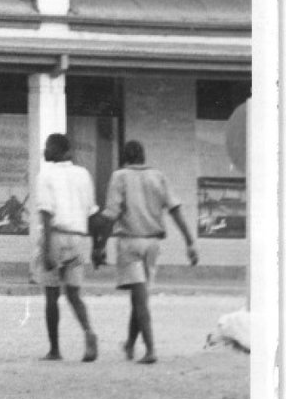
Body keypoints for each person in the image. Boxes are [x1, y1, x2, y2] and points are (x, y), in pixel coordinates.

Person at [101, 141, 199, 365]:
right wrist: (190, 241)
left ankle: (151, 349)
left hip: (129, 243)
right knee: (140, 297)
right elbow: (175, 209)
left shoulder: (119, 176)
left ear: (124, 158)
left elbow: (111, 214)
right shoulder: (158, 176)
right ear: (143, 157)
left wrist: (100, 245)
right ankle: (129, 343)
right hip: (153, 244)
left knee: (139, 299)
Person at [34, 132, 99, 363]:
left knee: (51, 295)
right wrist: (95, 246)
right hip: (79, 239)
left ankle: (55, 350)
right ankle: (89, 332)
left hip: (56, 237)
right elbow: (92, 212)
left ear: (58, 150)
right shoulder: (83, 174)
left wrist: (47, 249)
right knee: (74, 294)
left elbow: (46, 213)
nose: (45, 151)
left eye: (48, 147)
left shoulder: (46, 175)